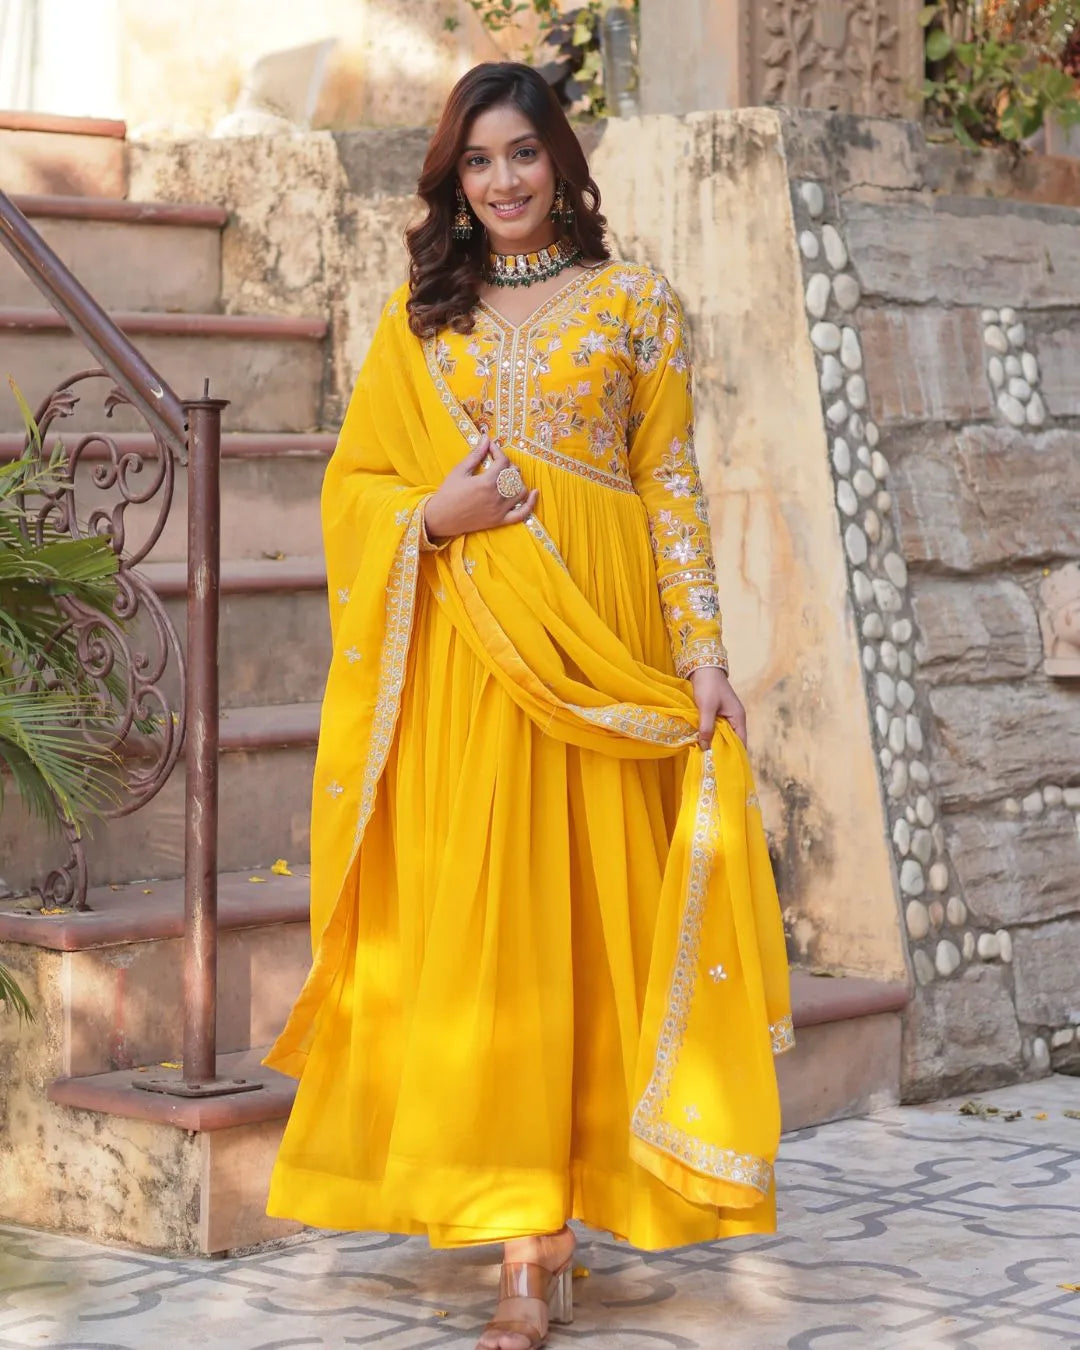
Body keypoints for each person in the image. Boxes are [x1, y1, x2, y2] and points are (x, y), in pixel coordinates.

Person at [265, 61, 792, 1350]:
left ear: (561, 161)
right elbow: (357, 485)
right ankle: (521, 1240)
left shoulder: (634, 304)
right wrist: (432, 517)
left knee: (588, 937)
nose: (503, 181)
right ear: (454, 179)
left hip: (603, 652)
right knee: (495, 937)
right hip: (471, 660)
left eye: (523, 154)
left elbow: (670, 485)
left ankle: (571, 1203)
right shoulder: (420, 319)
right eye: (478, 161)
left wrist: (704, 654)